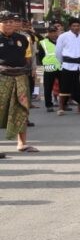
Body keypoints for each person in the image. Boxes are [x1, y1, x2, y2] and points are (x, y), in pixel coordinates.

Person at [0, 11, 37, 154]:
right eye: (5, 21)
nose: (9, 24)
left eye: (11, 21)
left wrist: (29, 69)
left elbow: (27, 57)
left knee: (22, 109)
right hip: (1, 77)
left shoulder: (23, 38)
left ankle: (22, 144)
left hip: (20, 77)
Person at [55, 17, 80, 116]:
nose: (76, 27)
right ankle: (61, 108)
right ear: (70, 27)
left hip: (79, 66)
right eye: (74, 26)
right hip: (67, 65)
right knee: (64, 87)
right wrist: (61, 62)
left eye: (78, 25)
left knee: (79, 87)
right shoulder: (63, 36)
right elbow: (58, 52)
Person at [36, 25, 62, 112]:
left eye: (55, 32)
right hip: (49, 67)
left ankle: (63, 105)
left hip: (61, 66)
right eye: (51, 32)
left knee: (63, 86)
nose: (53, 34)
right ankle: (49, 105)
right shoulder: (43, 42)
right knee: (48, 87)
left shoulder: (61, 41)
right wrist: (45, 64)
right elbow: (40, 56)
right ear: (48, 33)